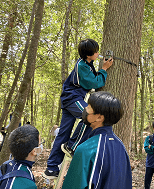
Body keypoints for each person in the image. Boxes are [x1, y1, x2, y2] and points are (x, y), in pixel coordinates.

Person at [43, 39, 113, 179]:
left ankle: (51, 169)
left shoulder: (86, 63)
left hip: (70, 98)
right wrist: (104, 69)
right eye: (96, 52)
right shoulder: (82, 66)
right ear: (89, 55)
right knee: (89, 117)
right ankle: (71, 146)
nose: (98, 53)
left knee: (63, 133)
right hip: (72, 98)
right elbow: (95, 82)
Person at [61, 91, 132, 189]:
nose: (85, 109)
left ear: (99, 117)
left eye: (89, 107)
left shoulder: (86, 149)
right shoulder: (121, 146)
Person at [0, 124, 43, 189]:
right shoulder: (28, 185)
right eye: (41, 143)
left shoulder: (7, 164)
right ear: (34, 151)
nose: (41, 146)